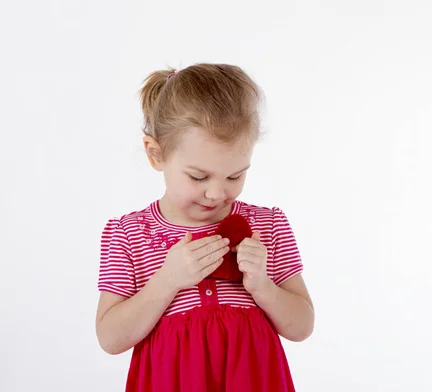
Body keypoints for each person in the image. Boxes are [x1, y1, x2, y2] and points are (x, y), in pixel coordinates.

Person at [95, 63, 314, 392]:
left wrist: (263, 287)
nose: (216, 193)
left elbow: (302, 326)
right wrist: (166, 281)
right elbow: (110, 338)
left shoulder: (267, 225)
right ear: (156, 155)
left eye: (235, 176)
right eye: (198, 177)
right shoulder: (129, 234)